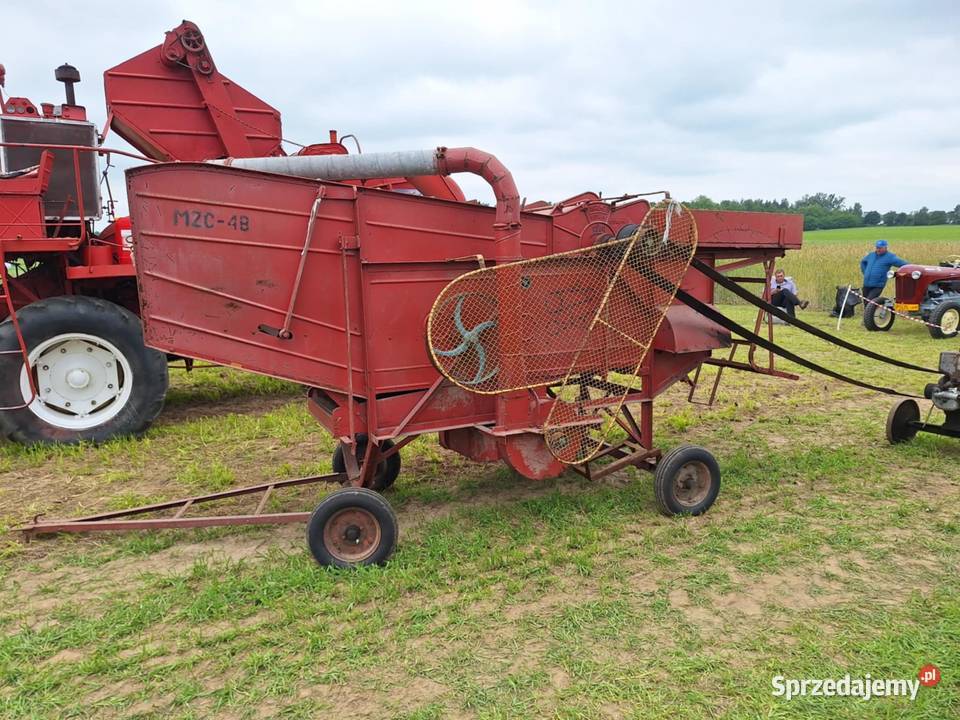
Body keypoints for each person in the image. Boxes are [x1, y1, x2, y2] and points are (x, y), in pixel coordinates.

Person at [860, 239, 908, 305]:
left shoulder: (890, 257)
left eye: (880, 248)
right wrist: (865, 272)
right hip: (866, 284)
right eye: (877, 247)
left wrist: (913, 268)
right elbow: (863, 262)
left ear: (885, 248)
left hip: (878, 285)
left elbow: (904, 264)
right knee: (866, 302)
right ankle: (873, 312)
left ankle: (885, 307)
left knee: (869, 302)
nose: (878, 249)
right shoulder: (871, 255)